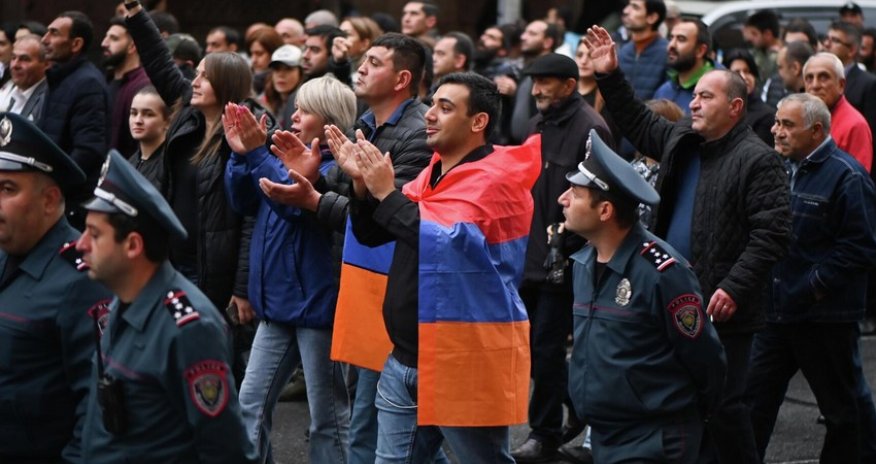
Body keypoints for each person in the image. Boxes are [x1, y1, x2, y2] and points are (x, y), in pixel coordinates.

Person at [584, 25, 791, 464]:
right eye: (694, 96)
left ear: (735, 107)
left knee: (725, 407)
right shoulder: (683, 140)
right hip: (675, 299)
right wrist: (609, 75)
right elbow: (637, 119)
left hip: (723, 308)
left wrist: (733, 288)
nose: (693, 102)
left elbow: (772, 234)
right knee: (687, 403)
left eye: (706, 97)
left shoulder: (758, 160)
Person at [258, 32, 433, 464]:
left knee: (370, 427)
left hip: (389, 289)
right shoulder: (365, 124)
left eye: (374, 62)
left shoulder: (416, 134)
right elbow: (353, 201)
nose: (361, 67)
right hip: (359, 281)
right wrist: (316, 179)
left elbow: (387, 219)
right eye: (364, 59)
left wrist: (316, 198)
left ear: (402, 79)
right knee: (369, 423)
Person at [349, 71, 538, 463]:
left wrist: (385, 192)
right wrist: (362, 188)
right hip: (405, 356)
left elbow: (445, 245)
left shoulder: (498, 181)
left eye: (445, 107)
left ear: (478, 121)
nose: (430, 114)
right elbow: (374, 233)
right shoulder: (431, 172)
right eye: (432, 103)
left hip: (463, 361)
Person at [77, 151, 257, 463]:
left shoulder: (190, 328)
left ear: (133, 245)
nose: (81, 244)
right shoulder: (122, 301)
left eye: (94, 234)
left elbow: (225, 448)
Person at [124, 1, 271, 382]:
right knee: (177, 356)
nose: (195, 81)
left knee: (215, 364)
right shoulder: (188, 116)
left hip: (215, 271)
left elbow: (252, 216)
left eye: (205, 76)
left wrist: (242, 289)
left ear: (226, 84)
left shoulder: (248, 132)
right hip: (174, 259)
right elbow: (160, 63)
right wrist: (136, 14)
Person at [562, 130, 726, 464]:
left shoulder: (662, 272)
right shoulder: (582, 263)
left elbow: (705, 358)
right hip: (606, 436)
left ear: (605, 210)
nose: (562, 199)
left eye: (575, 194)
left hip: (655, 439)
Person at [224, 76, 356, 464]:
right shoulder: (282, 155)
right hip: (278, 306)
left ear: (329, 119)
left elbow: (292, 204)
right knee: (249, 406)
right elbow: (242, 202)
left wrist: (257, 155)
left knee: (327, 419)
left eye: (305, 110)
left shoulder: (338, 168)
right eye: (295, 107)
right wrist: (241, 156)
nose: (294, 116)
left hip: (318, 308)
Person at [746, 92, 876, 463]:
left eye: (787, 125)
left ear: (816, 131)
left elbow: (861, 247)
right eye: (776, 123)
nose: (776, 131)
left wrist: (812, 288)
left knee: (842, 412)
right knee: (751, 402)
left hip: (824, 318)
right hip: (776, 314)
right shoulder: (779, 168)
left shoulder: (848, 177)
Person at [511, 53, 612, 464]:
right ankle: (577, 405)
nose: (536, 90)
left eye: (545, 82)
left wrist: (569, 246)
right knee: (532, 349)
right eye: (534, 82)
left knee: (547, 348)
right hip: (529, 253)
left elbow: (599, 196)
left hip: (566, 258)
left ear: (569, 85)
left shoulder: (591, 128)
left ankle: (544, 433)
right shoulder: (535, 125)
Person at [0, 112, 111, 463]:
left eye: (7, 189)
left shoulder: (83, 280)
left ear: (49, 200)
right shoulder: (5, 251)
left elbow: (98, 413)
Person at [39, 11, 110, 214]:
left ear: (76, 44)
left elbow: (88, 149)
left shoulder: (88, 84)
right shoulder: (59, 78)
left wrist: (53, 185)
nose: (45, 39)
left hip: (70, 200)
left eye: (54, 33)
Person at [804, 53, 873, 173]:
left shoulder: (855, 125)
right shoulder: (801, 118)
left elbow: (857, 179)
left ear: (841, 85)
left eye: (823, 77)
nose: (815, 85)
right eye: (809, 78)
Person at [101, 16, 151, 158]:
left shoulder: (143, 86)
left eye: (114, 38)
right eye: (106, 37)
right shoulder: (105, 81)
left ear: (132, 46)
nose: (104, 43)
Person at [653, 18, 714, 113]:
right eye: (671, 38)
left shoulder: (717, 90)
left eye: (681, 39)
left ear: (700, 50)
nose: (671, 45)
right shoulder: (664, 90)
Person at [723, 49, 775, 146]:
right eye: (737, 72)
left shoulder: (766, 116)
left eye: (747, 71)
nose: (744, 77)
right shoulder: (722, 111)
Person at [618, 0, 668, 100]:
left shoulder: (668, 52)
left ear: (652, 17)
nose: (626, 11)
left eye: (635, 7)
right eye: (628, 5)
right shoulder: (623, 51)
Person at [126, 85, 169, 189]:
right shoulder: (129, 164)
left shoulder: (170, 167)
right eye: (133, 113)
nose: (138, 121)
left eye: (148, 114)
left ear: (167, 122)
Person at [0, 34, 49, 121]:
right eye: (13, 58)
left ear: (46, 64)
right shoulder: (13, 93)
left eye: (24, 59)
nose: (15, 65)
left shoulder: (47, 100)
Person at [260, 44, 303, 129]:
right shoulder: (261, 102)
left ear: (301, 73)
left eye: (288, 69)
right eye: (276, 69)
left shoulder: (308, 105)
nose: (281, 74)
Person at [742, 10, 781, 82]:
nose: (751, 38)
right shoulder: (758, 52)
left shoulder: (782, 56)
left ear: (767, 34)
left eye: (755, 34)